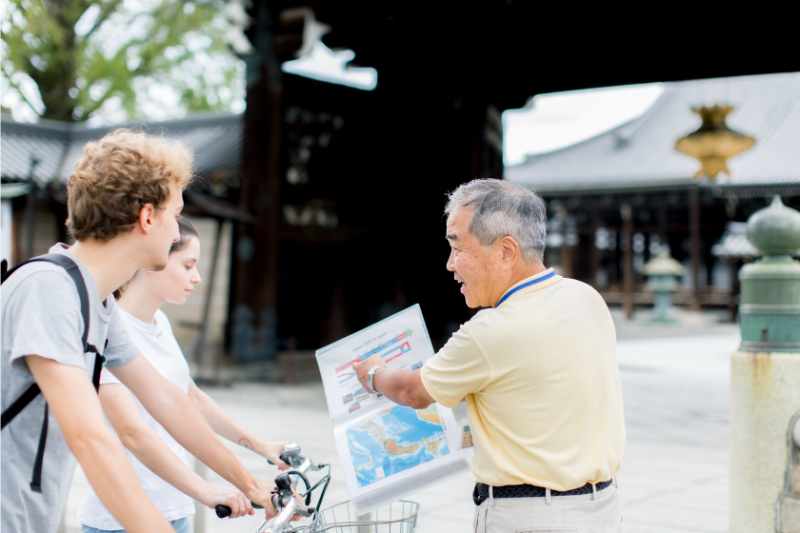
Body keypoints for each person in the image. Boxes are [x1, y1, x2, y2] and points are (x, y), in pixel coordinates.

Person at [1, 130, 276, 533]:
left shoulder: (97, 300)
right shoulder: (48, 289)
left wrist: (251, 485)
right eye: (176, 213)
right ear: (148, 217)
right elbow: (92, 439)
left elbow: (168, 400)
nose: (177, 229)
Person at [354, 178, 625, 533]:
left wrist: (373, 373)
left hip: (528, 517)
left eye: (458, 248)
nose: (450, 264)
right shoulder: (586, 298)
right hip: (601, 508)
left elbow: (412, 391)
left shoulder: (491, 331)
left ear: (506, 251)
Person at [80, 217, 288, 532]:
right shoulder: (108, 330)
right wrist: (207, 489)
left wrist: (260, 446)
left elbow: (189, 398)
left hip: (175, 507)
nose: (198, 278)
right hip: (120, 519)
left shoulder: (160, 323)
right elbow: (134, 434)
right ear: (153, 260)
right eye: (188, 265)